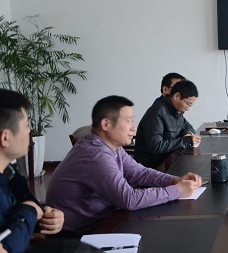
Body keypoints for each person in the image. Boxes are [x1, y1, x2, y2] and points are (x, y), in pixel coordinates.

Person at [45, 95, 200, 236]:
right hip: (79, 237)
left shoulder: (111, 147)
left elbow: (139, 173)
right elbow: (128, 199)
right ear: (106, 124)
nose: (133, 127)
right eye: (128, 121)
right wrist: (177, 191)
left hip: (102, 221)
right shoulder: (96, 155)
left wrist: (174, 180)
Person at [0, 89, 64, 253]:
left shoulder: (9, 173)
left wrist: (46, 216)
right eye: (26, 125)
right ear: (5, 137)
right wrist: (30, 211)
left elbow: (13, 217)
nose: (30, 131)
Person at [135, 80, 200, 168]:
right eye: (188, 104)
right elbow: (155, 146)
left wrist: (187, 135)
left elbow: (188, 127)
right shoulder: (157, 113)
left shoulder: (176, 111)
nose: (187, 108)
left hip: (170, 161)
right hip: (153, 168)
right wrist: (185, 141)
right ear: (177, 96)